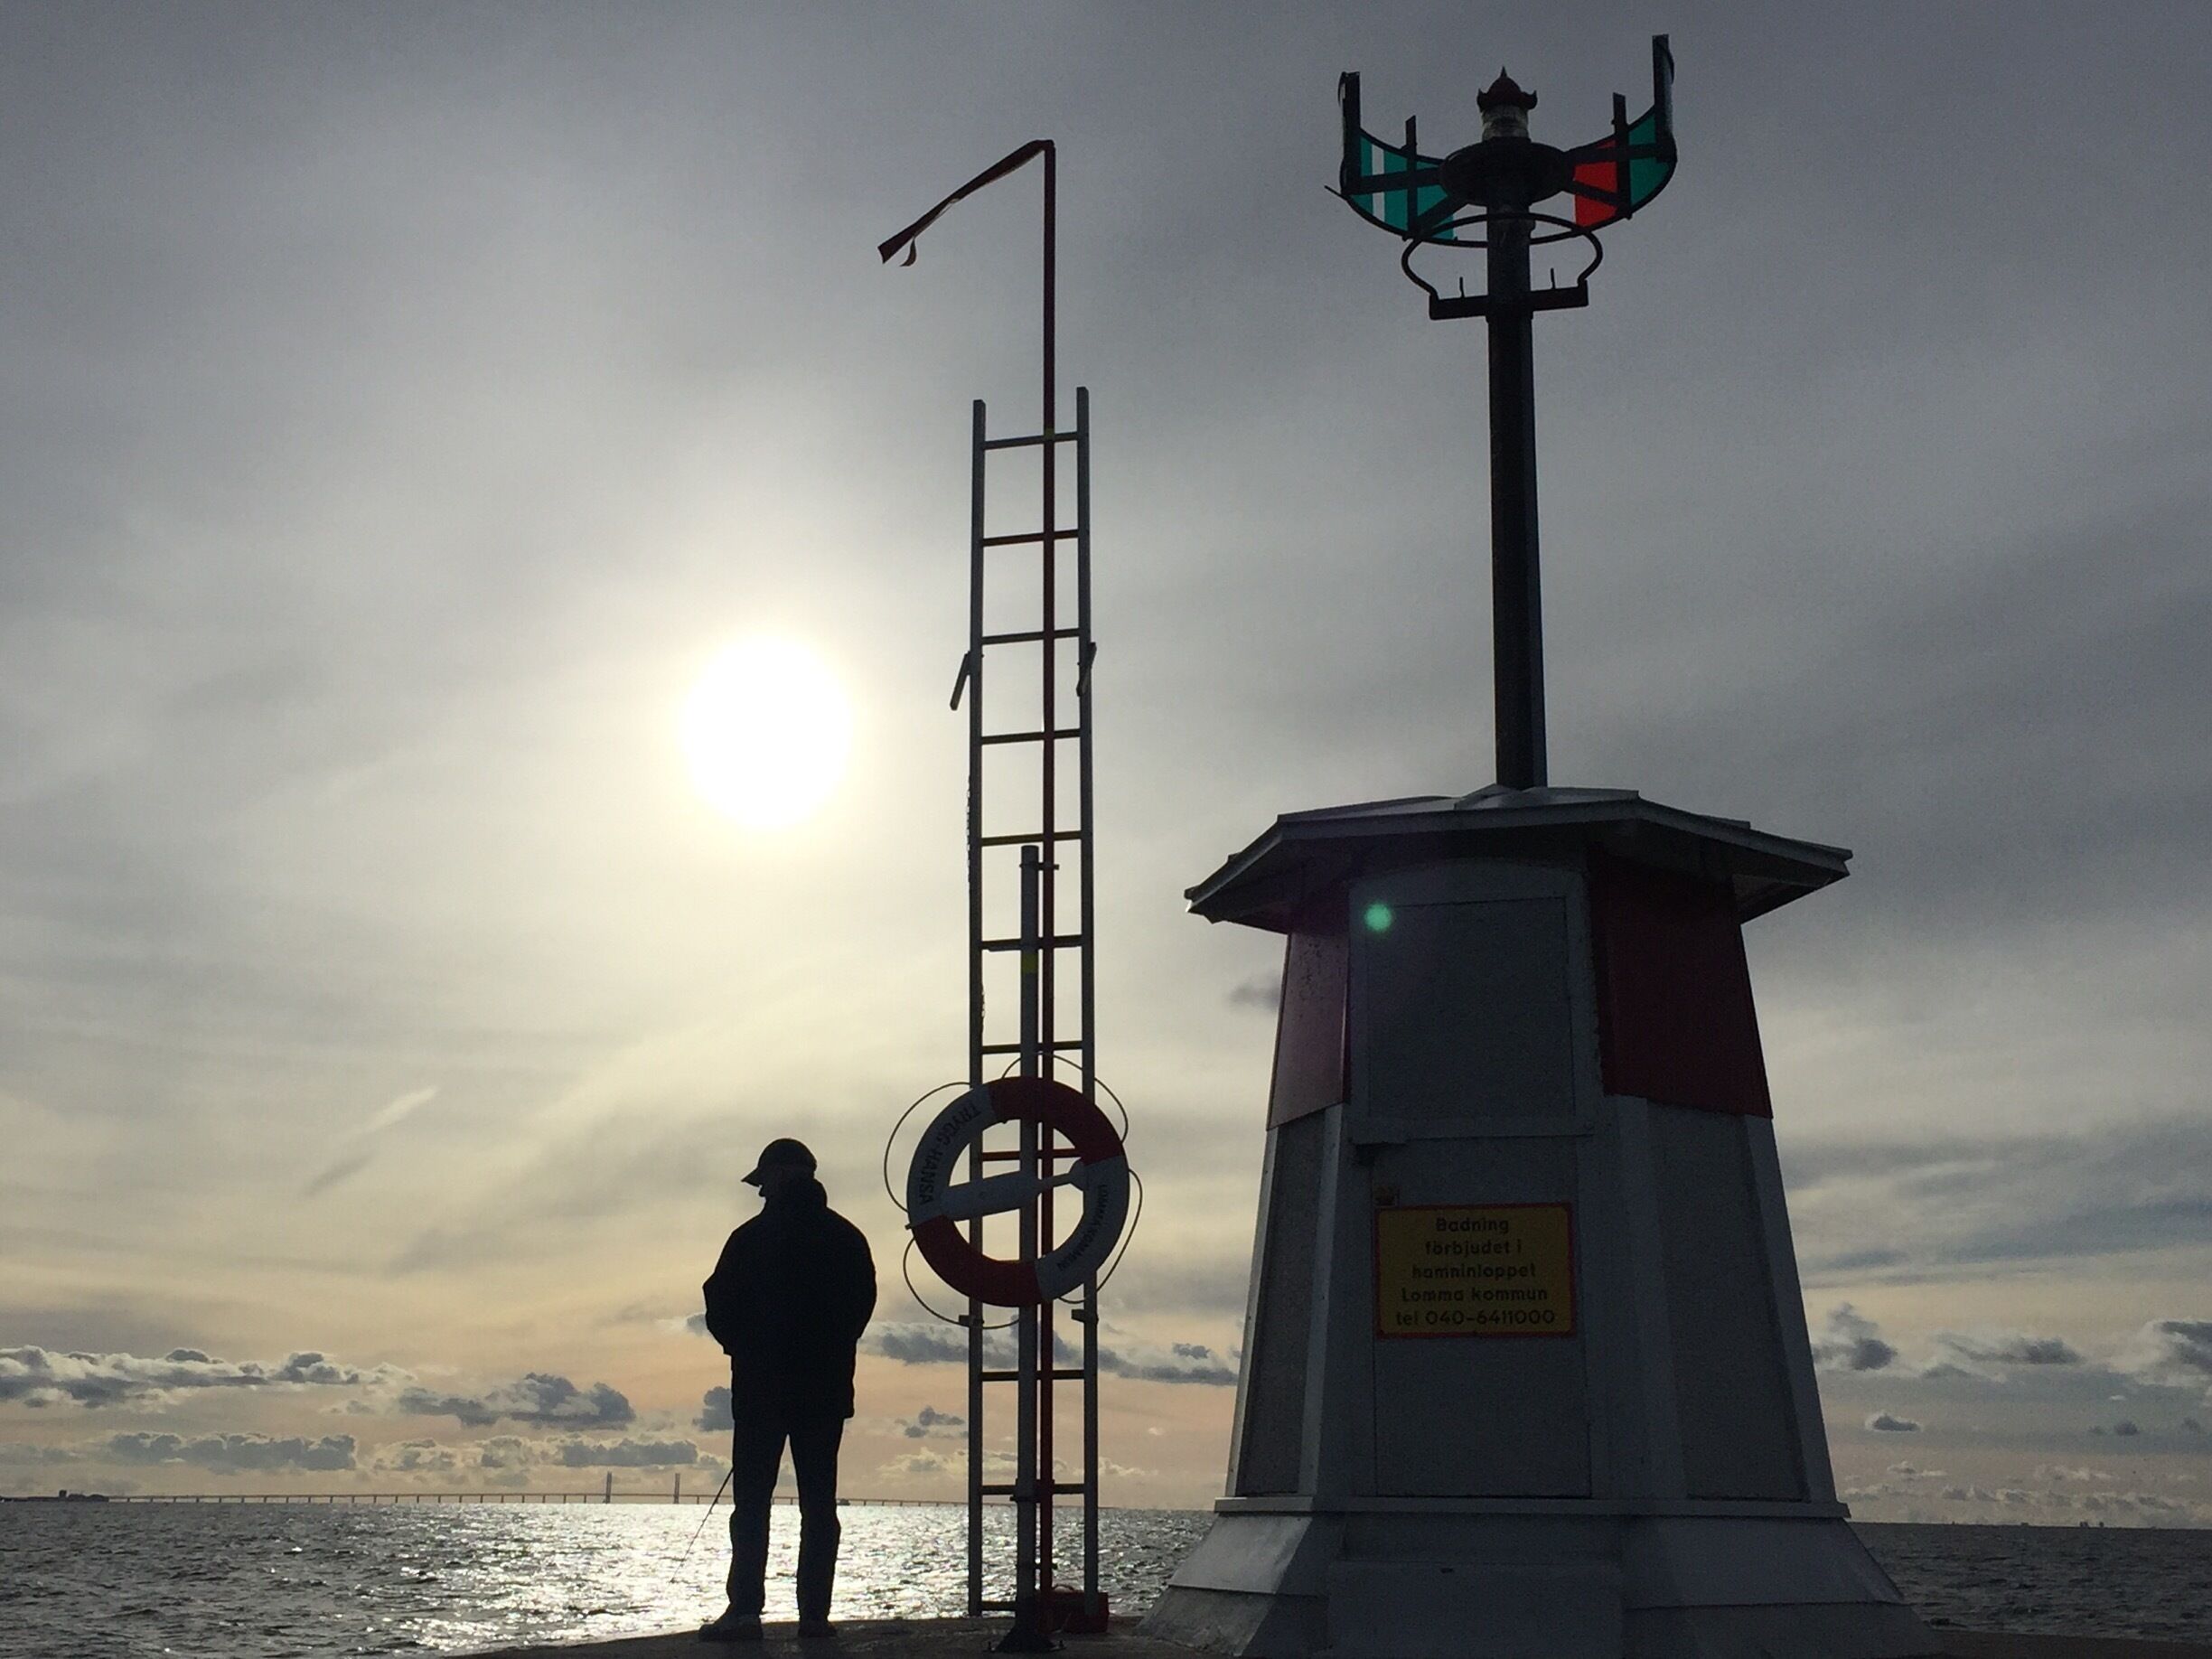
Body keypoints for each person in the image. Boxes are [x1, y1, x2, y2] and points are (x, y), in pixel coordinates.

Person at [698, 1138, 876, 1643]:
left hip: (761, 1393)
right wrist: (824, 1353)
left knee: (751, 1505)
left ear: (777, 1177)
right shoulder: (847, 1238)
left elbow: (719, 1304)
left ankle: (745, 1613)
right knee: (819, 1506)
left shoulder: (748, 1239)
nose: (759, 1194)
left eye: (762, 1183)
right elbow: (859, 1309)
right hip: (823, 1394)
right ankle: (815, 1618)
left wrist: (746, 1350)